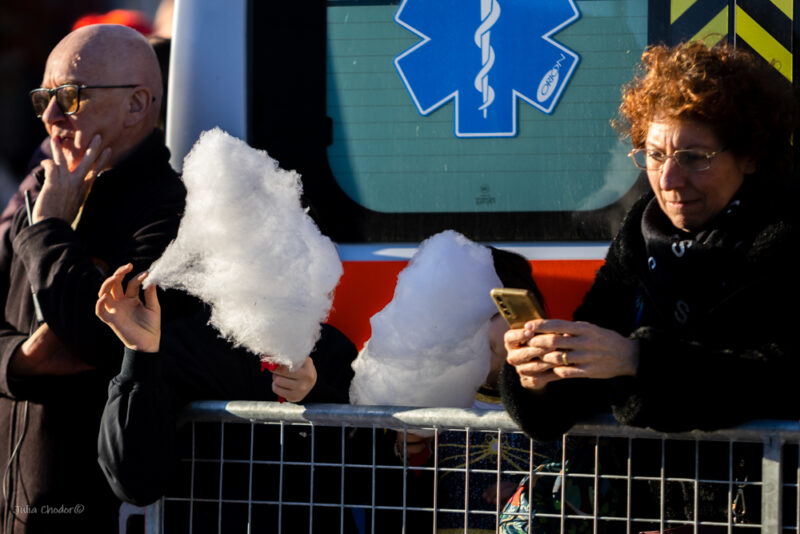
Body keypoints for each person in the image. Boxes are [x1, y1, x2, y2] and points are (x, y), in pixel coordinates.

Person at [501, 41, 800, 530]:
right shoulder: (640, 234)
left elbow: (780, 375)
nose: (669, 178)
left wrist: (639, 361)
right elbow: (596, 341)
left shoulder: (786, 237)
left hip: (757, 509)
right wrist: (540, 374)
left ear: (749, 155)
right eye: (655, 155)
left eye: (694, 156)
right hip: (640, 507)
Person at [0, 24, 186, 533]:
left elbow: (94, 341)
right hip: (13, 503)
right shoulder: (45, 190)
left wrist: (51, 230)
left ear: (137, 105)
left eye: (71, 97)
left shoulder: (169, 210)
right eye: (44, 99)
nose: (51, 117)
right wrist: (18, 361)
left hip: (95, 510)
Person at [95, 265, 359, 533]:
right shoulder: (180, 348)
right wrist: (140, 356)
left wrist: (316, 395)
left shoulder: (329, 349)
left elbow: (366, 470)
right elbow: (134, 481)